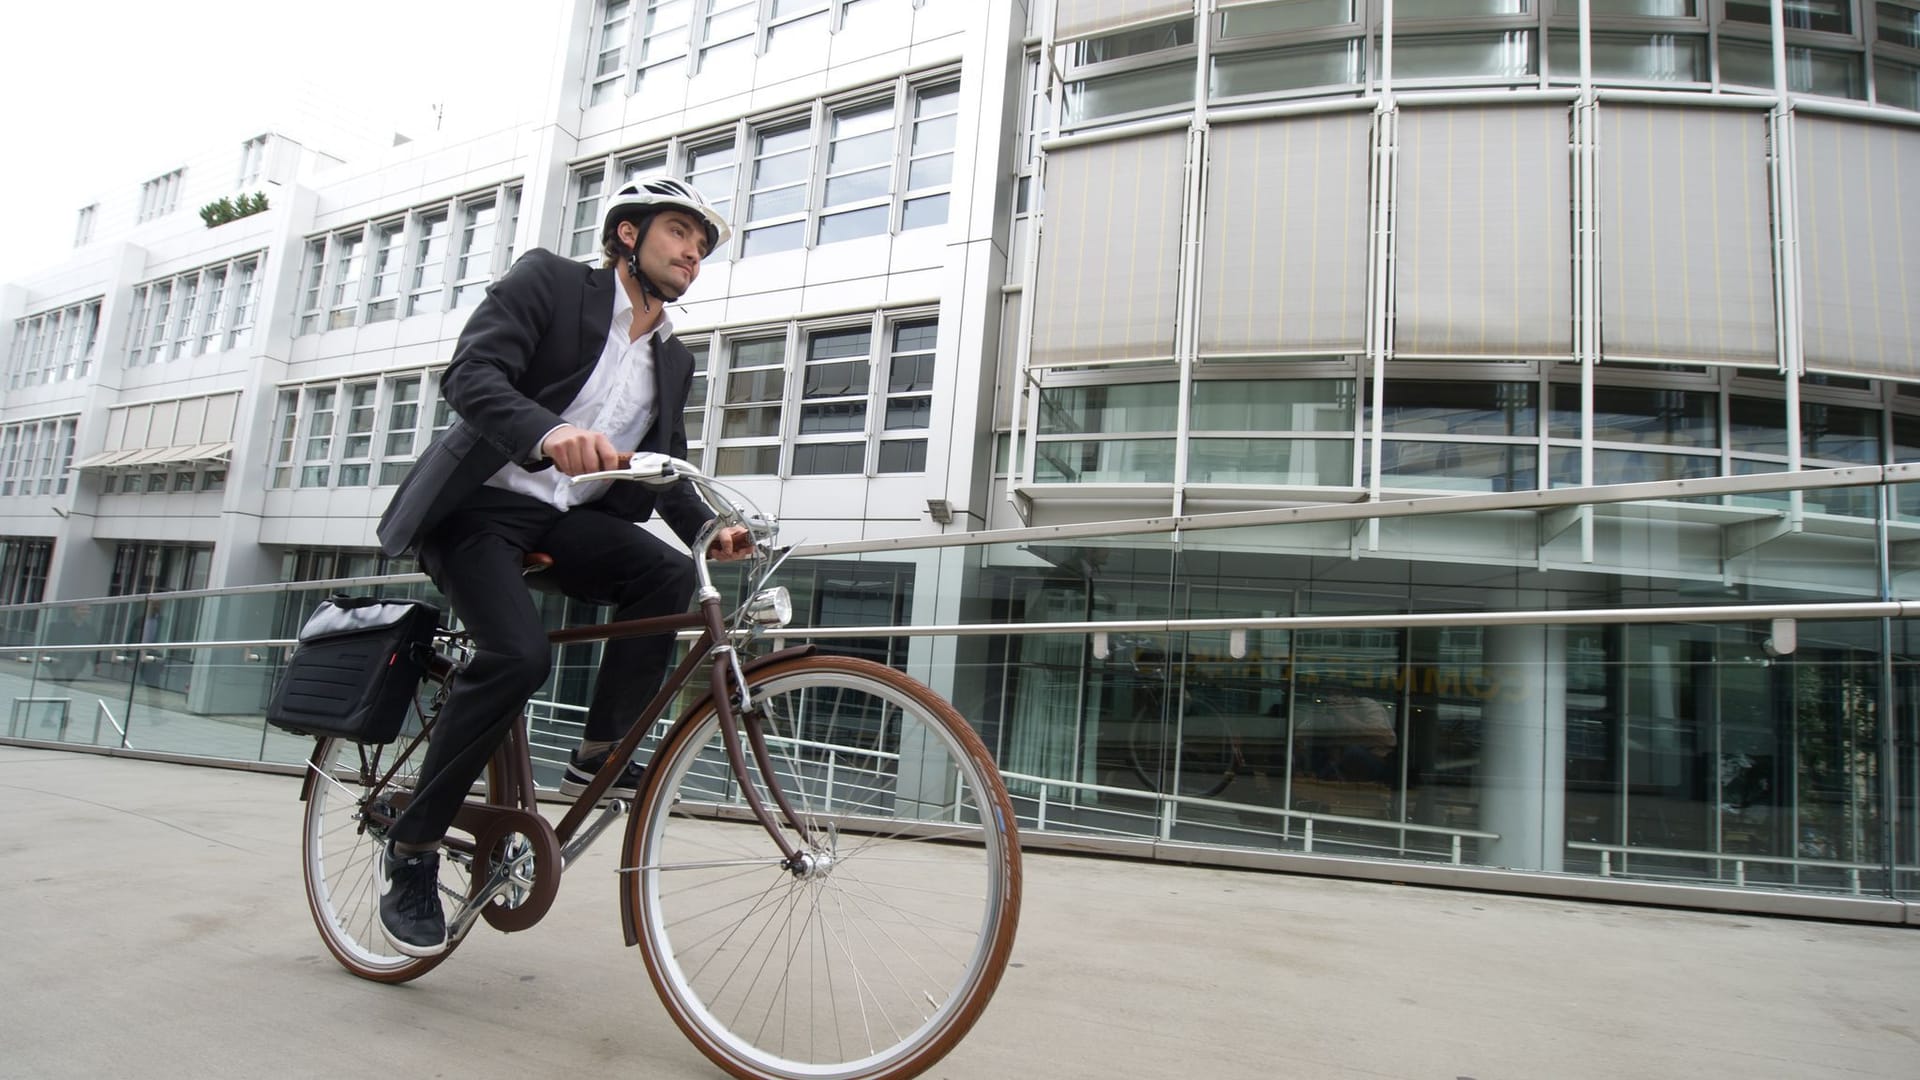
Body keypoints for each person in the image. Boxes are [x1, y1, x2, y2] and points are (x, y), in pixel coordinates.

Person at [372, 176, 753, 957]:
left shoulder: (672, 362)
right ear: (627, 236)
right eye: (680, 232)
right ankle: (411, 849)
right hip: (476, 506)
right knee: (517, 655)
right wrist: (547, 432)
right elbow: (470, 377)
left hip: (565, 517)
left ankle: (598, 757)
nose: (693, 252)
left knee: (668, 576)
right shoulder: (548, 280)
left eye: (703, 245)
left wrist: (710, 526)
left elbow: (659, 465)